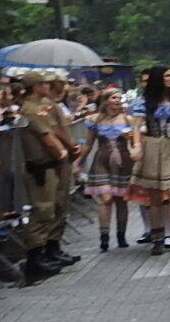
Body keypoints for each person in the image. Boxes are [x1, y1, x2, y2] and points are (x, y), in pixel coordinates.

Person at [18, 71, 79, 279]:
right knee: (42, 210)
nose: (48, 86)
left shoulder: (44, 106)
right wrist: (62, 151)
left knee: (57, 206)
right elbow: (47, 136)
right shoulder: (31, 109)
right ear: (35, 86)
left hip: (52, 164)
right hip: (41, 165)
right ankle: (35, 257)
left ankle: (50, 250)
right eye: (44, 83)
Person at [128, 65, 170, 252]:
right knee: (154, 196)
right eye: (167, 75)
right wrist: (137, 146)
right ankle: (157, 238)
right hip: (151, 145)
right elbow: (136, 126)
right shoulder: (144, 102)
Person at [78, 88, 141, 252]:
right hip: (102, 160)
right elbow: (88, 144)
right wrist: (78, 163)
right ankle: (104, 237)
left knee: (121, 199)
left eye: (120, 98)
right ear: (105, 100)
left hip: (123, 160)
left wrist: (134, 144)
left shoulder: (128, 119)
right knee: (106, 199)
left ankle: (121, 235)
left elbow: (137, 142)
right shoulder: (94, 120)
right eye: (114, 98)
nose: (118, 101)